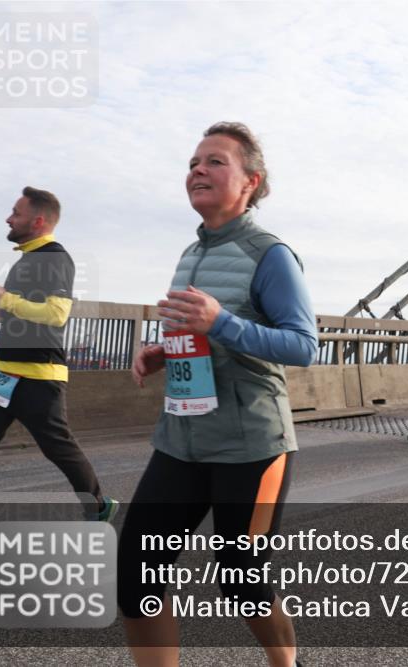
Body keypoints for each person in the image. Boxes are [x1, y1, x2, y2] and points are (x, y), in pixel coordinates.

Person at [120, 122, 317, 667]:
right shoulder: (191, 252)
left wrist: (221, 321)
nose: (197, 170)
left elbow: (303, 345)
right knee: (137, 574)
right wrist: (165, 352)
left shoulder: (271, 254)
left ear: (250, 181)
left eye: (214, 162)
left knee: (243, 585)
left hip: (252, 446)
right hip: (181, 439)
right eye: (192, 163)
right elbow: (204, 333)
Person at [0, 187, 116, 564]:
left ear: (37, 220)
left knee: (57, 445)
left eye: (15, 212)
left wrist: (5, 300)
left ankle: (98, 504)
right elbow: (28, 311)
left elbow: (56, 314)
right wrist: (1, 312)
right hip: (2, 372)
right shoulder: (26, 260)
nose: (9, 218)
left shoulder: (55, 258)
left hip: (38, 375)